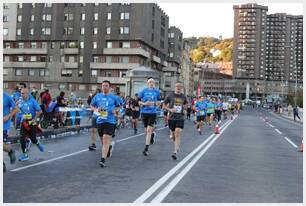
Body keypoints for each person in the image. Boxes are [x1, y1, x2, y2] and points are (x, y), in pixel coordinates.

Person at [90, 80, 121, 167]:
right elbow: (91, 106)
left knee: (105, 139)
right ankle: (108, 148)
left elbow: (118, 106)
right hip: (100, 120)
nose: (104, 87)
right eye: (103, 85)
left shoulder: (114, 97)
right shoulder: (97, 96)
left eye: (106, 86)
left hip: (110, 121)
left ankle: (102, 160)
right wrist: (96, 110)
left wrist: (115, 110)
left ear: (110, 87)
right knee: (103, 141)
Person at [18, 88, 45, 161]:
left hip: (32, 122)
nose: (22, 95)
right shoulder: (20, 101)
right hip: (24, 122)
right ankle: (25, 154)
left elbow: (40, 111)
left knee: (33, 139)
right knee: (22, 137)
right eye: (21, 93)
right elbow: (19, 110)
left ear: (27, 94)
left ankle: (37, 143)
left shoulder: (32, 101)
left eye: (23, 93)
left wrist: (34, 119)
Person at [163, 82, 187, 160]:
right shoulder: (170, 95)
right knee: (173, 136)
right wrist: (170, 109)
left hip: (180, 118)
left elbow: (186, 105)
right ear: (175, 87)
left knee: (177, 133)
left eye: (180, 86)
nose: (178, 88)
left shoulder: (183, 96)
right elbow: (164, 105)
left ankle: (175, 152)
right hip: (171, 118)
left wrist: (185, 110)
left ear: (182, 88)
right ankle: (177, 145)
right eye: (177, 86)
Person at [138, 77, 161, 156]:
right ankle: (152, 135)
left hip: (152, 113)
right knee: (146, 130)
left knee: (148, 130)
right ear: (147, 84)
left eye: (153, 82)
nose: (151, 83)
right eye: (150, 82)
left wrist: (154, 104)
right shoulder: (143, 91)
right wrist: (145, 104)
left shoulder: (157, 92)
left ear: (154, 84)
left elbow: (159, 102)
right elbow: (139, 101)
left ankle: (146, 148)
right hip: (144, 112)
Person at [3, 92, 18, 172]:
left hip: (4, 126)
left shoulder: (6, 97)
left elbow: (16, 109)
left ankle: (10, 151)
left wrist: (8, 116)